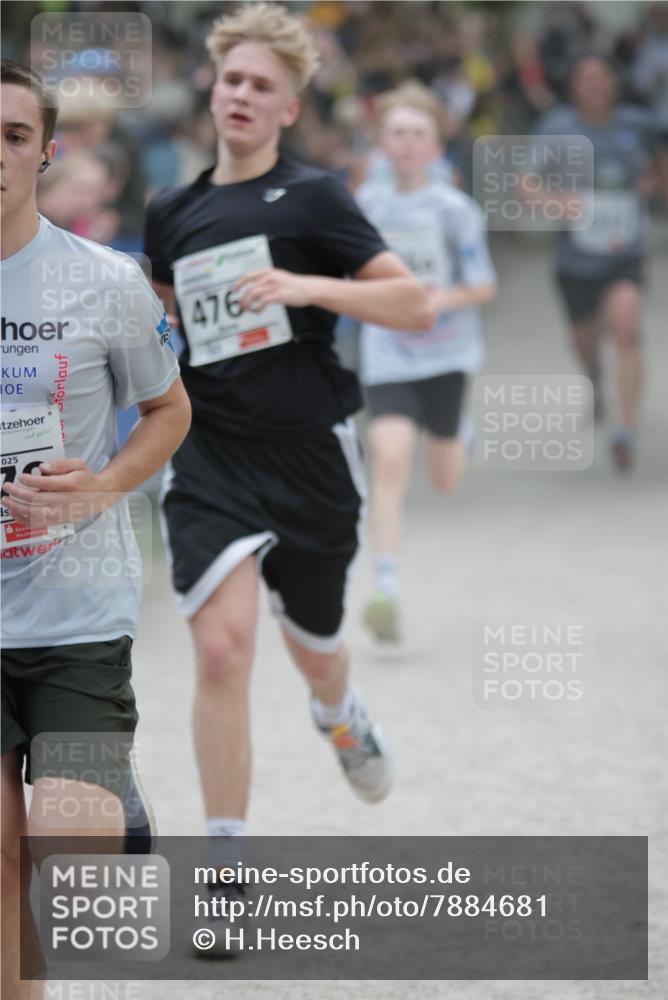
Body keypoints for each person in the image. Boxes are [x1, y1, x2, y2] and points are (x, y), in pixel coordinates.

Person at [143, 3, 432, 947]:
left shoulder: (314, 201)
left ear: (291, 107)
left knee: (314, 648)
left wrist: (308, 287)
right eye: (233, 79)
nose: (243, 95)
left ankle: (339, 711)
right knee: (223, 652)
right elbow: (155, 339)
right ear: (212, 87)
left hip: (310, 453)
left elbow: (412, 303)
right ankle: (226, 874)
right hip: (212, 457)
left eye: (263, 86)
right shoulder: (172, 213)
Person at [0, 59, 191, 999]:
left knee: (64, 855)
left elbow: (169, 410)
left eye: (14, 136)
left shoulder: (107, 281)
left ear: (48, 151)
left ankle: (111, 793)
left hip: (76, 609)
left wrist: (100, 487)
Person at [356, 82, 496, 643]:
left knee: (443, 480)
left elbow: (483, 285)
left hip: (446, 354)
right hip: (388, 355)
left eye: (419, 134)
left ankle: (458, 432)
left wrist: (433, 301)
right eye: (397, 134)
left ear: (438, 144)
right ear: (381, 143)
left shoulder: (454, 209)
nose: (408, 144)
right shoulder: (367, 207)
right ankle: (385, 586)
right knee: (389, 461)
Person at [533, 53, 659, 471]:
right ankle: (594, 379)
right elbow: (525, 185)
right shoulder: (556, 128)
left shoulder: (637, 125)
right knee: (584, 339)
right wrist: (558, 203)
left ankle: (624, 428)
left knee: (627, 328)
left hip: (625, 252)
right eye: (586, 79)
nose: (594, 85)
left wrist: (654, 183)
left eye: (601, 78)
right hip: (575, 257)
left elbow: (660, 164)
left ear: (613, 83)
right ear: (574, 85)